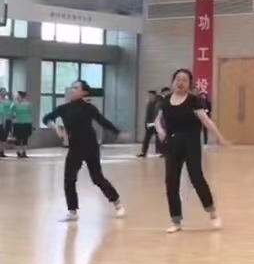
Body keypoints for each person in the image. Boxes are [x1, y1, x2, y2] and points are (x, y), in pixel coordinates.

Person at [155, 69, 230, 233]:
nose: (180, 83)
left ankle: (212, 212)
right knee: (171, 181)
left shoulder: (194, 101)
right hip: (173, 144)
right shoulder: (165, 101)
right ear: (173, 82)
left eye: (184, 80)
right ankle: (176, 221)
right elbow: (157, 121)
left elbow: (206, 120)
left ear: (189, 84)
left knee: (196, 177)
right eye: (178, 79)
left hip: (191, 143)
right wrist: (160, 130)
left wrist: (220, 137)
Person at [43, 80, 126, 222]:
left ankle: (117, 202)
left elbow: (102, 121)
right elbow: (46, 118)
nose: (72, 90)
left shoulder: (88, 108)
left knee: (97, 178)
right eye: (72, 87)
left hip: (90, 146)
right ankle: (72, 211)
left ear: (84, 92)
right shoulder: (63, 108)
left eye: (76, 88)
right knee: (69, 179)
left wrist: (117, 132)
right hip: (75, 147)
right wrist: (57, 129)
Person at [138, 90, 163, 158]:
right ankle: (144, 152)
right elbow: (148, 115)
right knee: (147, 138)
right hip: (151, 123)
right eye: (148, 95)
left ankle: (162, 152)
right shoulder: (149, 103)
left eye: (150, 95)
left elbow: (158, 113)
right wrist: (146, 123)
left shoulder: (159, 102)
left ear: (154, 95)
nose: (149, 96)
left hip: (157, 123)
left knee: (160, 138)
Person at [10, 91, 33, 158]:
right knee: (18, 138)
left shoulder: (28, 104)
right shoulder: (14, 104)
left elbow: (30, 112)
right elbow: (11, 113)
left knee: (25, 138)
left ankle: (24, 152)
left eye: (17, 95)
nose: (16, 96)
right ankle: (18, 152)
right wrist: (13, 119)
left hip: (26, 122)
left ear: (21, 96)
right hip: (17, 123)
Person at [0, 89, 11, 158]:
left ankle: (2, 151)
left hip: (7, 120)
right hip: (1, 120)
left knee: (4, 137)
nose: (4, 93)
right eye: (2, 91)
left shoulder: (8, 101)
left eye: (5, 91)